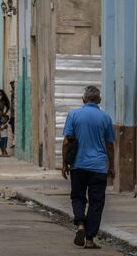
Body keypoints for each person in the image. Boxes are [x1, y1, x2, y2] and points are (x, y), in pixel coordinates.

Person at [62, 86, 114, 249]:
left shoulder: (74, 115)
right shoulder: (105, 117)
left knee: (77, 197)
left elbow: (67, 142)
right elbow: (110, 145)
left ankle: (80, 225)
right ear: (99, 100)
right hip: (98, 167)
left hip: (78, 165)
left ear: (83, 99)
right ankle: (90, 240)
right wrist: (111, 166)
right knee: (96, 202)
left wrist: (64, 164)